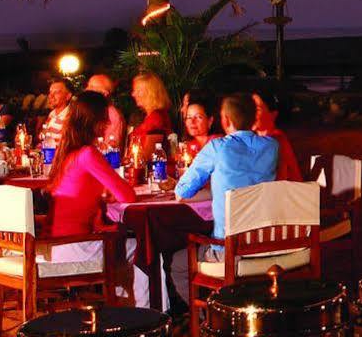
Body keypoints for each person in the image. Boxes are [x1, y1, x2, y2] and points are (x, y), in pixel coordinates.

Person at [43, 93, 138, 277]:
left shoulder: (66, 152)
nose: (108, 124)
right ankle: (147, 306)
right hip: (75, 246)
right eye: (104, 119)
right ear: (93, 121)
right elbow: (128, 196)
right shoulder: (87, 154)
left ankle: (119, 301)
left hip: (57, 244)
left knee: (124, 244)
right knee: (143, 248)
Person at [174, 95, 280, 245]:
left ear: (226, 120)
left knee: (178, 262)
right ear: (254, 118)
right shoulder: (272, 146)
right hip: (263, 245)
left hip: (228, 250)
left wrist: (217, 192)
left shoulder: (216, 147)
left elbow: (182, 193)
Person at [249, 91, 303, 182]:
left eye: (257, 109)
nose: (251, 114)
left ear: (273, 114)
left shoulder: (276, 140)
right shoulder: (255, 139)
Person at [127, 72, 174, 164]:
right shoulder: (152, 116)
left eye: (138, 90)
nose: (133, 94)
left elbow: (147, 155)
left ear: (151, 93)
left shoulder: (156, 118)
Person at [86, 74, 126, 152]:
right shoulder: (89, 110)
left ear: (104, 93)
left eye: (92, 87)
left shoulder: (112, 115)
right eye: (88, 86)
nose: (87, 89)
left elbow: (110, 148)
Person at [36, 77, 73, 151]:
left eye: (56, 92)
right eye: (50, 92)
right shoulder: (52, 114)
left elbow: (66, 147)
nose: (51, 96)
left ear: (68, 96)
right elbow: (43, 137)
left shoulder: (70, 117)